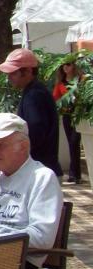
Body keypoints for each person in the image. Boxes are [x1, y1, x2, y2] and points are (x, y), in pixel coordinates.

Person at [0, 113, 62, 267]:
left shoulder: (41, 177)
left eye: (0, 145)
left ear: (23, 146)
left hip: (17, 264)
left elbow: (41, 239)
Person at [0, 48, 61, 176]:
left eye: (13, 73)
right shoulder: (35, 92)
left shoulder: (34, 96)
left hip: (39, 173)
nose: (9, 77)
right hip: (41, 169)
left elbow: (35, 134)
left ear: (28, 71)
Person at [52, 55, 84, 183]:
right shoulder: (60, 83)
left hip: (78, 115)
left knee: (75, 142)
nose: (65, 67)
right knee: (71, 143)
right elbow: (55, 98)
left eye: (68, 64)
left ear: (73, 66)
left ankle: (75, 174)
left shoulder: (80, 80)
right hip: (67, 115)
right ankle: (74, 174)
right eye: (63, 65)